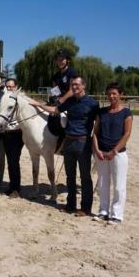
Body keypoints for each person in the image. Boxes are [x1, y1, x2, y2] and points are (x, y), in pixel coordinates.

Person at [30, 77, 99, 216]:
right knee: (70, 176)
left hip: (83, 142)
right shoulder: (70, 101)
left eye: (77, 85)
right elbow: (55, 110)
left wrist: (97, 142)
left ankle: (85, 208)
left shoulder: (93, 103)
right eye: (72, 85)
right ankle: (70, 205)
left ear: (83, 86)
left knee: (85, 177)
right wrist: (38, 105)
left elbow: (99, 123)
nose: (74, 87)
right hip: (68, 142)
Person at [92, 82, 133, 224]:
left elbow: (127, 134)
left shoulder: (126, 113)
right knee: (103, 184)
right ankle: (103, 211)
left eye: (114, 93)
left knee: (118, 185)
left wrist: (114, 151)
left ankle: (117, 214)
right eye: (109, 94)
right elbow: (95, 133)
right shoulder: (101, 112)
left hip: (118, 154)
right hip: (102, 153)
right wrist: (97, 150)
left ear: (121, 95)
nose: (111, 96)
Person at [3, 78, 25, 197]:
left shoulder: (20, 100)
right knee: (10, 161)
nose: (9, 88)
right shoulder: (5, 99)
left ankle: (16, 189)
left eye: (11, 86)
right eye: (7, 86)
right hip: (6, 133)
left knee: (14, 160)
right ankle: (12, 186)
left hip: (17, 133)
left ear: (16, 87)